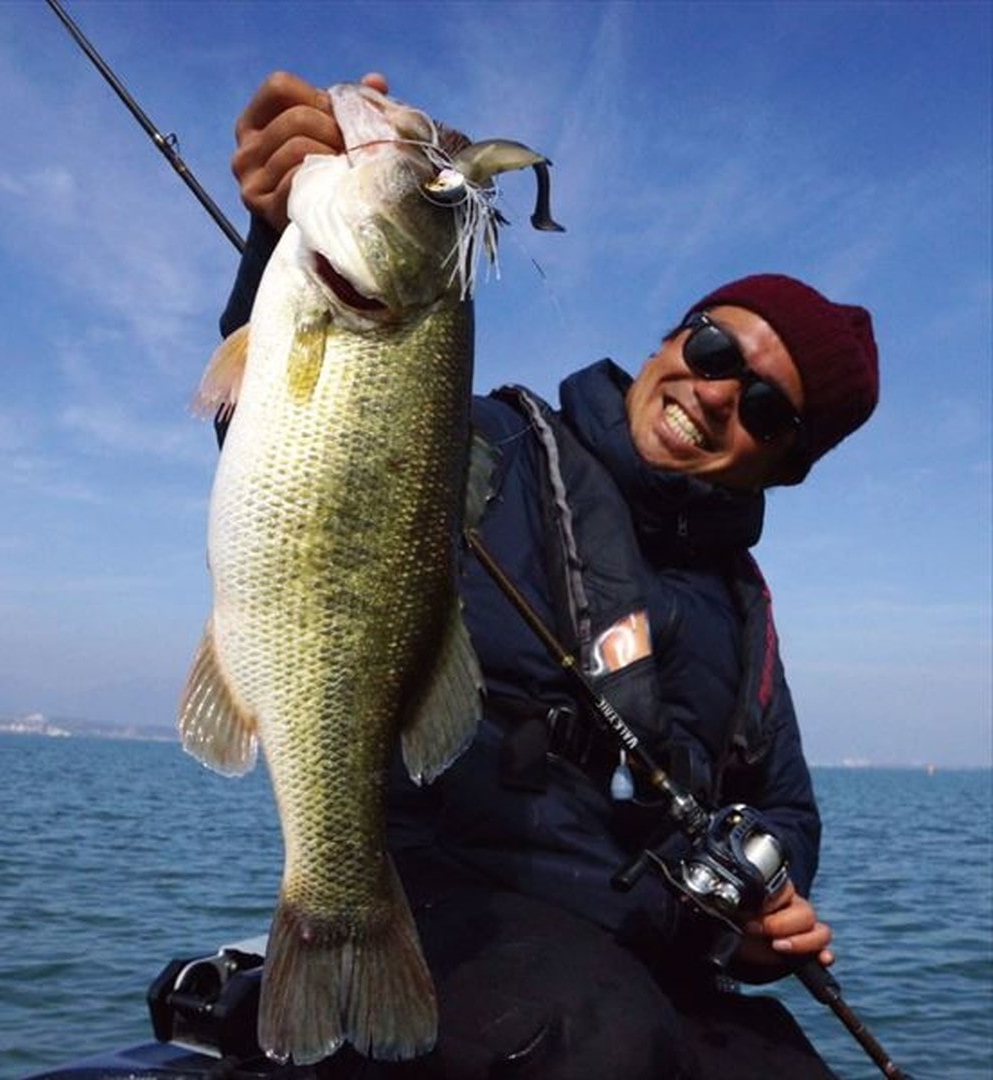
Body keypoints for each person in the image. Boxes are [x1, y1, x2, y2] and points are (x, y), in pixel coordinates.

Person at [218, 72, 879, 1080]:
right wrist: (274, 238)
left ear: (787, 464)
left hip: (657, 952)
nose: (715, 394)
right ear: (672, 335)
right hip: (461, 908)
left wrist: (761, 904)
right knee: (589, 1040)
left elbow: (786, 809)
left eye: (766, 409)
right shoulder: (489, 447)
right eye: (713, 347)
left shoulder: (745, 612)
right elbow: (290, 447)